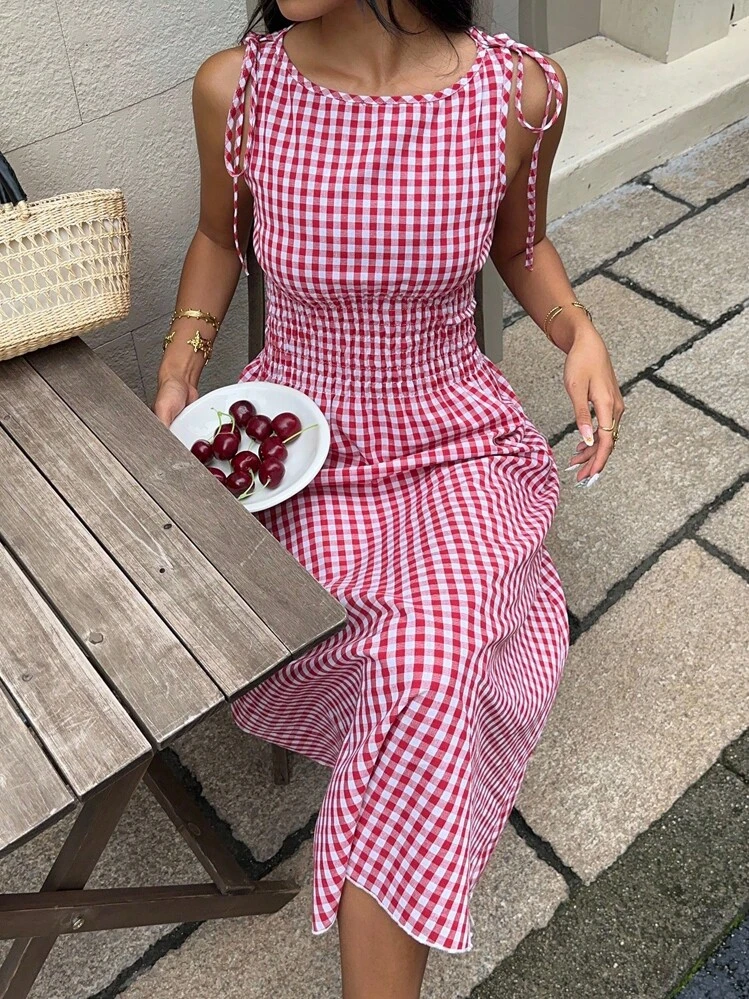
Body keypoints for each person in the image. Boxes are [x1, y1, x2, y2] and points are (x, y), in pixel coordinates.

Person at [153, 1, 625, 995]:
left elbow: (522, 246)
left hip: (452, 438)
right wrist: (178, 366)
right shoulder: (235, 89)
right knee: (417, 677)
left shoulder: (519, 93)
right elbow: (214, 239)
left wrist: (577, 331)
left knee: (429, 652)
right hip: (299, 450)